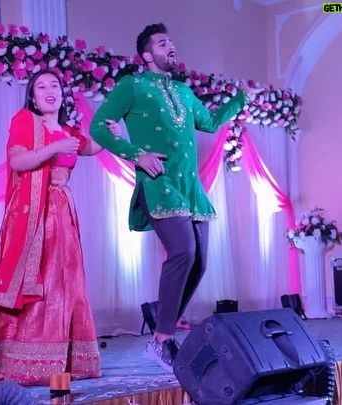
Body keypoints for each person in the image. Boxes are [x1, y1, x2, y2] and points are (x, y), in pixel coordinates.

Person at [90, 23, 258, 371]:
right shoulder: (132, 86)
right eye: (163, 43)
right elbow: (98, 127)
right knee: (184, 251)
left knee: (200, 261)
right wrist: (137, 155)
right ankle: (163, 338)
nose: (171, 46)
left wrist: (240, 99)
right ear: (147, 55)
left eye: (172, 41)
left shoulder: (183, 91)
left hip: (190, 186)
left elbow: (210, 123)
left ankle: (160, 332)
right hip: (159, 182)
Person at [0, 70, 121, 385]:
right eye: (41, 87)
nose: (49, 90)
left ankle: (63, 360)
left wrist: (110, 134)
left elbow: (89, 148)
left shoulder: (68, 131)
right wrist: (55, 148)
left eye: (54, 85)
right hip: (33, 213)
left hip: (62, 212)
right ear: (32, 97)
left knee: (65, 284)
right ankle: (19, 361)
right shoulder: (25, 121)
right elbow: (18, 162)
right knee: (36, 282)